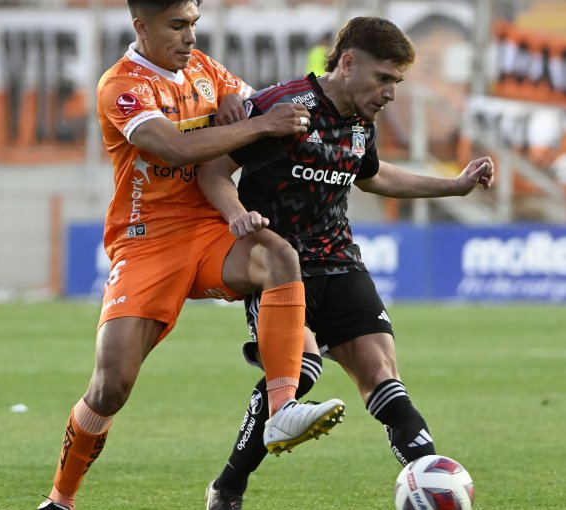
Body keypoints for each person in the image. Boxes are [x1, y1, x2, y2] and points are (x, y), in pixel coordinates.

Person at [36, 1, 347, 509]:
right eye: (177, 27)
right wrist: (256, 126)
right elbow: (173, 148)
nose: (190, 38)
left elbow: (258, 103)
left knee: (279, 258)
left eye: (194, 25)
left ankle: (282, 407)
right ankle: (60, 500)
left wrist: (248, 111)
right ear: (142, 26)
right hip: (146, 242)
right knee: (110, 387)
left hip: (207, 231)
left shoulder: (204, 68)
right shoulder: (121, 85)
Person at [196, 16, 494, 509]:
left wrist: (453, 185)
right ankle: (228, 487)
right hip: (277, 264)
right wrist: (236, 216)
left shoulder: (361, 120)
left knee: (383, 375)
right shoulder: (281, 107)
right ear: (348, 63)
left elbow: (372, 176)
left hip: (339, 260)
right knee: (302, 368)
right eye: (384, 78)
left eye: (397, 81)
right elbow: (212, 170)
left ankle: (430, 487)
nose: (391, 93)